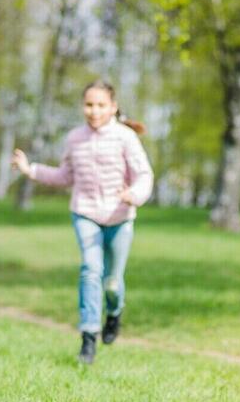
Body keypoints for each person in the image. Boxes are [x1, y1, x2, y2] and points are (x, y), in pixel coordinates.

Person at [11, 80, 154, 364]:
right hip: (85, 212)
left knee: (112, 282)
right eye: (89, 104)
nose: (94, 111)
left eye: (101, 105)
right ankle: (88, 337)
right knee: (90, 270)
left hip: (120, 216)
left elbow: (144, 175)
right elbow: (66, 176)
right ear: (82, 107)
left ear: (113, 107)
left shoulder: (126, 137)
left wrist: (134, 195)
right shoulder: (75, 138)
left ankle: (114, 313)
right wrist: (32, 170)